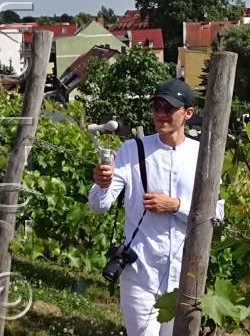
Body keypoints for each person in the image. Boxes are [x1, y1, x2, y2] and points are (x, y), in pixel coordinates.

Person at [88, 79, 225, 336]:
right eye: (156, 107)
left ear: (188, 113)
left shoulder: (202, 155)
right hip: (141, 275)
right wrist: (102, 184)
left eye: (168, 108)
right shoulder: (133, 149)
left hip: (185, 278)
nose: (160, 114)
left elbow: (216, 215)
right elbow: (98, 206)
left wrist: (176, 206)